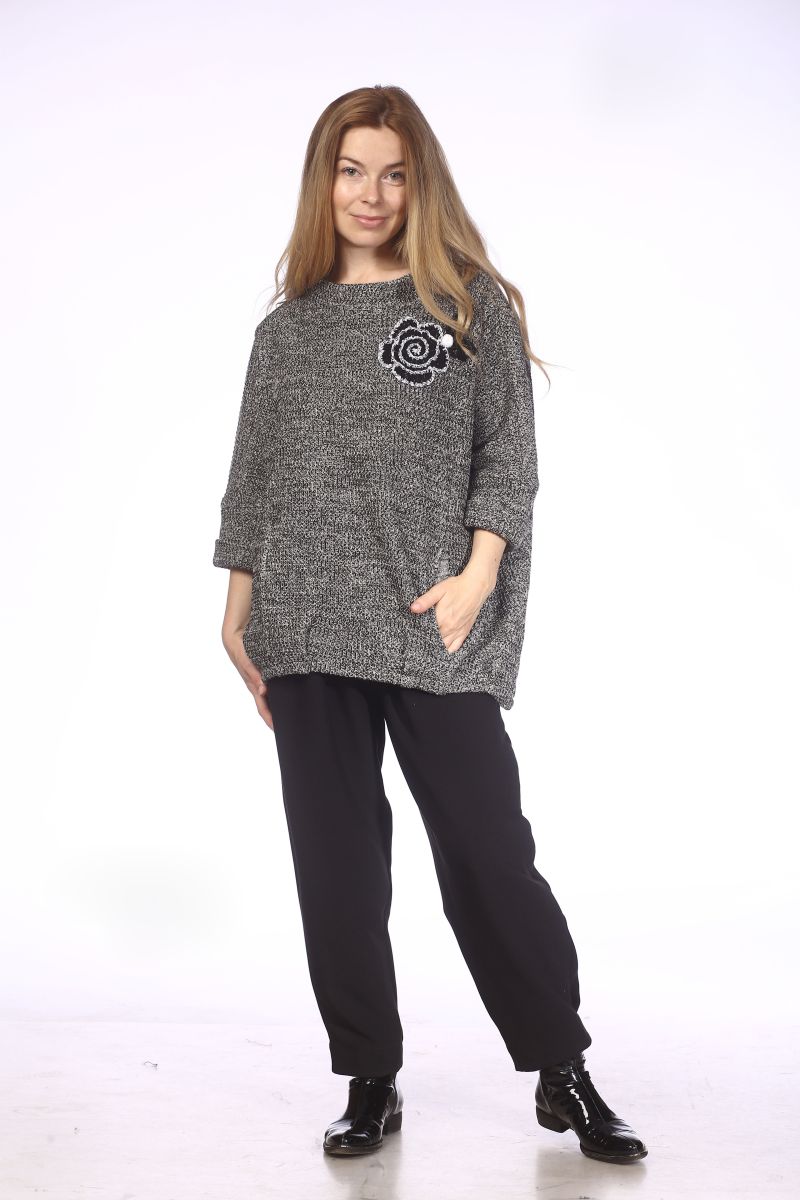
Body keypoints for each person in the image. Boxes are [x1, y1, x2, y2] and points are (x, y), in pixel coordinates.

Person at [212, 84, 647, 1167]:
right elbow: (253, 475)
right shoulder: (286, 330)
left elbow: (509, 454)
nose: (371, 194)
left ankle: (561, 1071)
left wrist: (477, 572)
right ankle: (369, 1076)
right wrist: (236, 608)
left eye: (394, 174)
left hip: (431, 616)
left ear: (422, 184)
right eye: (351, 171)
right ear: (324, 183)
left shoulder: (465, 305)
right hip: (304, 621)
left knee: (488, 851)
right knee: (337, 866)